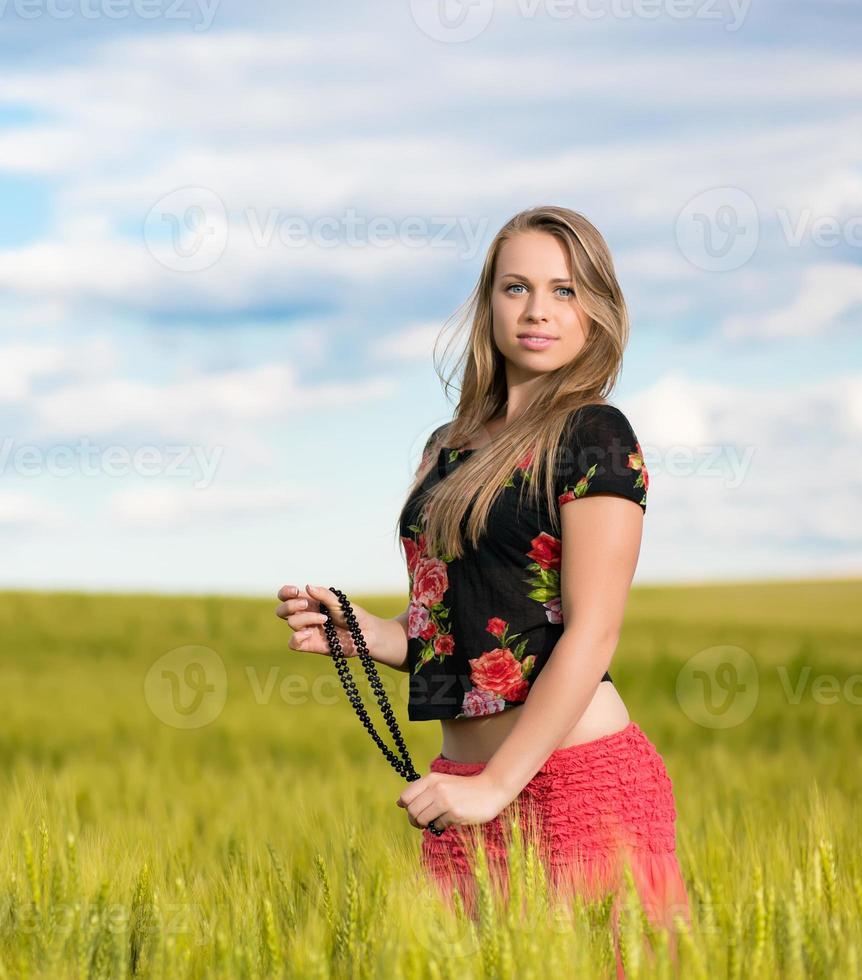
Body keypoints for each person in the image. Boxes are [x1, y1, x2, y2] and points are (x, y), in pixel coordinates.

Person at [275, 205, 690, 975]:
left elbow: (593, 631)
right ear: (488, 302)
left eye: (565, 291)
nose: (537, 310)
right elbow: (453, 628)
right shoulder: (449, 447)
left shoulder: (594, 434)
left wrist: (499, 785)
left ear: (598, 312)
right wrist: (367, 634)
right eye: (516, 287)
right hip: (460, 793)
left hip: (575, 787)